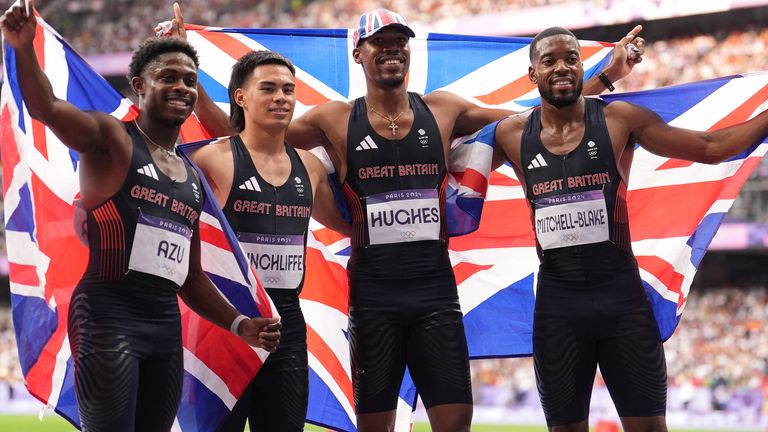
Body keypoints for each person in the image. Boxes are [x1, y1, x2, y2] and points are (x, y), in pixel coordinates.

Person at [168, 6, 644, 431]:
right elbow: (250, 133)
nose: (393, 51)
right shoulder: (334, 119)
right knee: (375, 425)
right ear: (360, 54)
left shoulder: (443, 109)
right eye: (381, 44)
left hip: (435, 290)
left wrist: (605, 78)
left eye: (400, 44)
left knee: (456, 419)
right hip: (373, 297)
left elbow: (536, 122)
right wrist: (190, 65)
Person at [0, 1, 281, 431]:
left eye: (190, 80)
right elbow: (48, 109)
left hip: (164, 326)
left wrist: (239, 323)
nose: (182, 87)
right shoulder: (112, 139)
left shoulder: (191, 175)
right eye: (168, 77)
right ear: (139, 86)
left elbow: (189, 278)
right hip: (106, 317)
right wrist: (23, 48)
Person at [492, 26, 768, 432]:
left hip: (622, 304)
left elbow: (712, 148)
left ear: (582, 66)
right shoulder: (511, 133)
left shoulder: (619, 119)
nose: (563, 66)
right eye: (549, 61)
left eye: (572, 58)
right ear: (533, 74)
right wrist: (608, 77)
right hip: (558, 310)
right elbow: (442, 145)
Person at [186, 48, 350, 431]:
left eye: (288, 90)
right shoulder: (213, 160)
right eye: (269, 88)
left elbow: (349, 225)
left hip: (286, 323)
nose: (281, 97)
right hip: (227, 319)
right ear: (240, 97)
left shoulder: (309, 167)